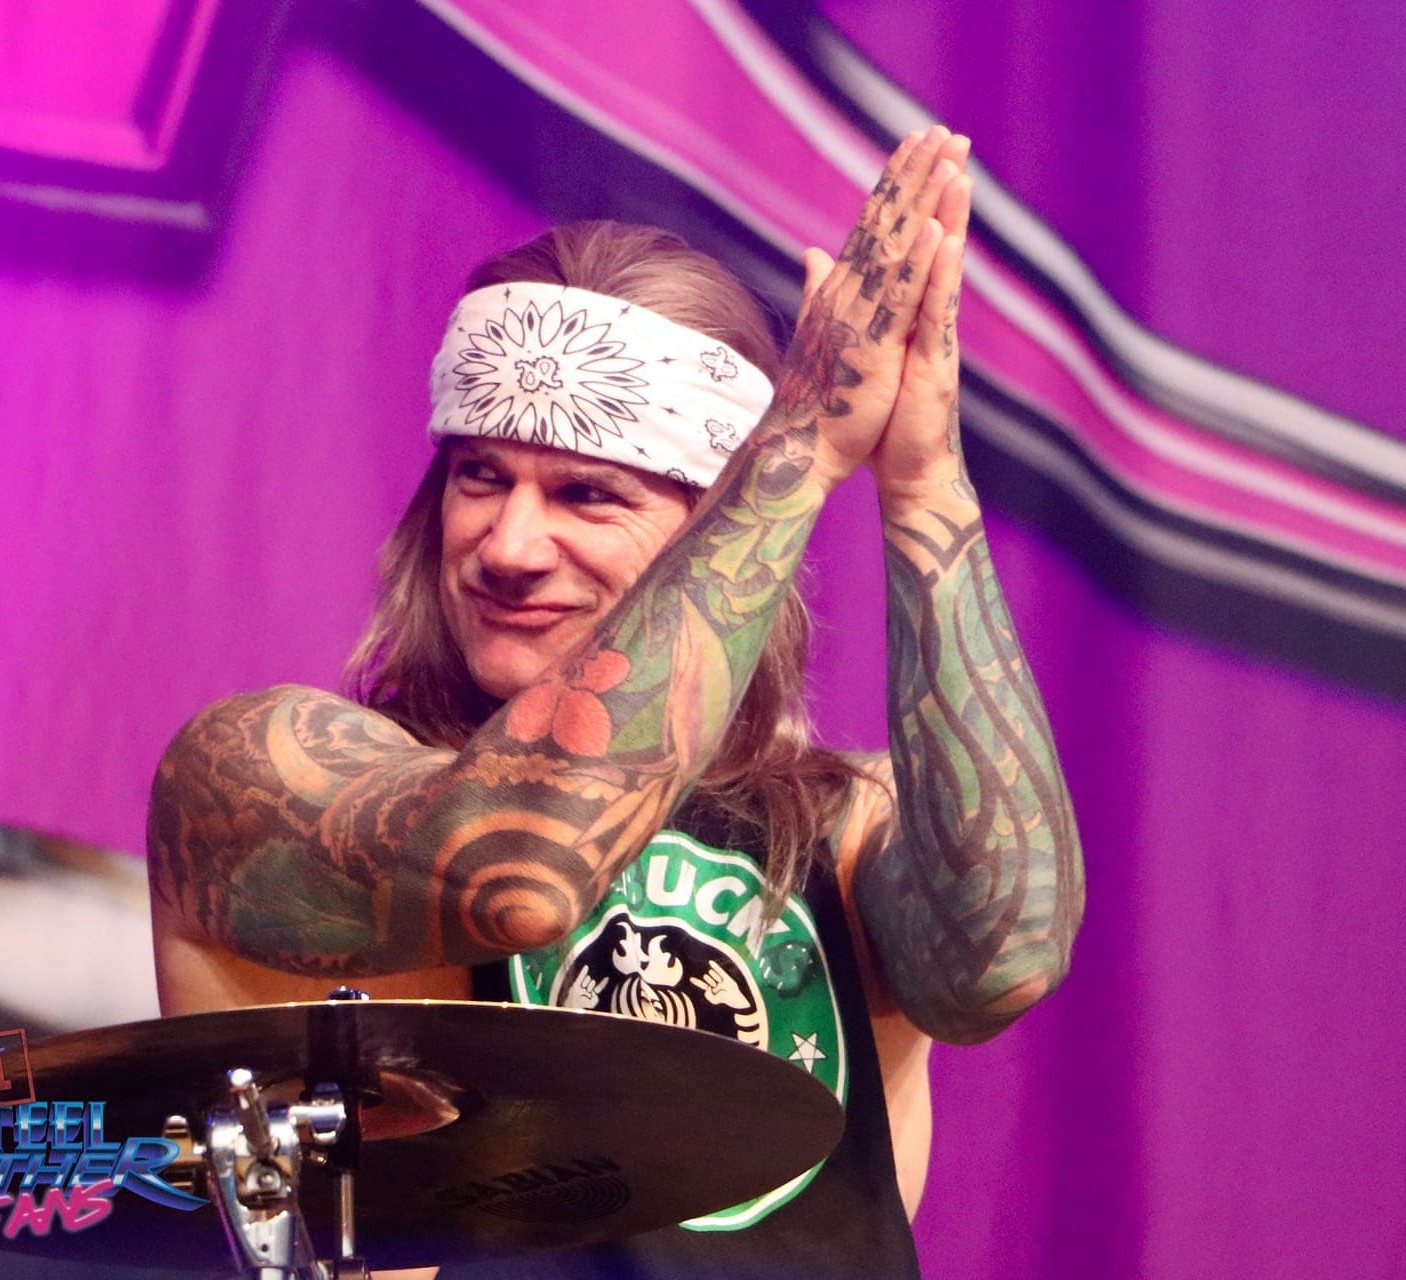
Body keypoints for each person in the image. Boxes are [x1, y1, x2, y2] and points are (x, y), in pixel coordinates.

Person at [146, 127, 1083, 1279]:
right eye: (480, 475)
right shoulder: (264, 772)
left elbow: (1005, 962)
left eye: (586, 493)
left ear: (721, 537)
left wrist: (923, 478)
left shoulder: (843, 832)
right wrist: (801, 440)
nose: (509, 544)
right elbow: (524, 871)